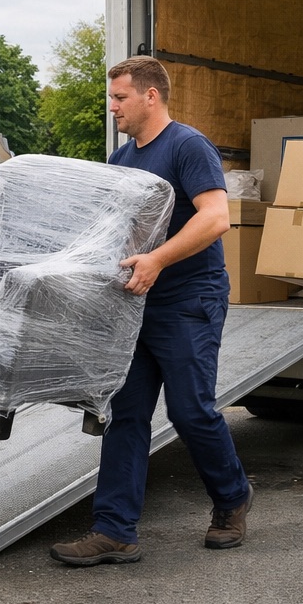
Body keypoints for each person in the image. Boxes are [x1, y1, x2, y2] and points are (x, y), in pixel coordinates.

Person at [51, 56, 252, 566]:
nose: (112, 106)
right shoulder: (122, 161)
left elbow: (216, 217)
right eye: (112, 97)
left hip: (189, 298)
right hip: (135, 303)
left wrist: (159, 259)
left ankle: (232, 498)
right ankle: (114, 530)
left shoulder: (188, 146)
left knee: (190, 410)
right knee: (126, 414)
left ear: (150, 96)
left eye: (120, 97)